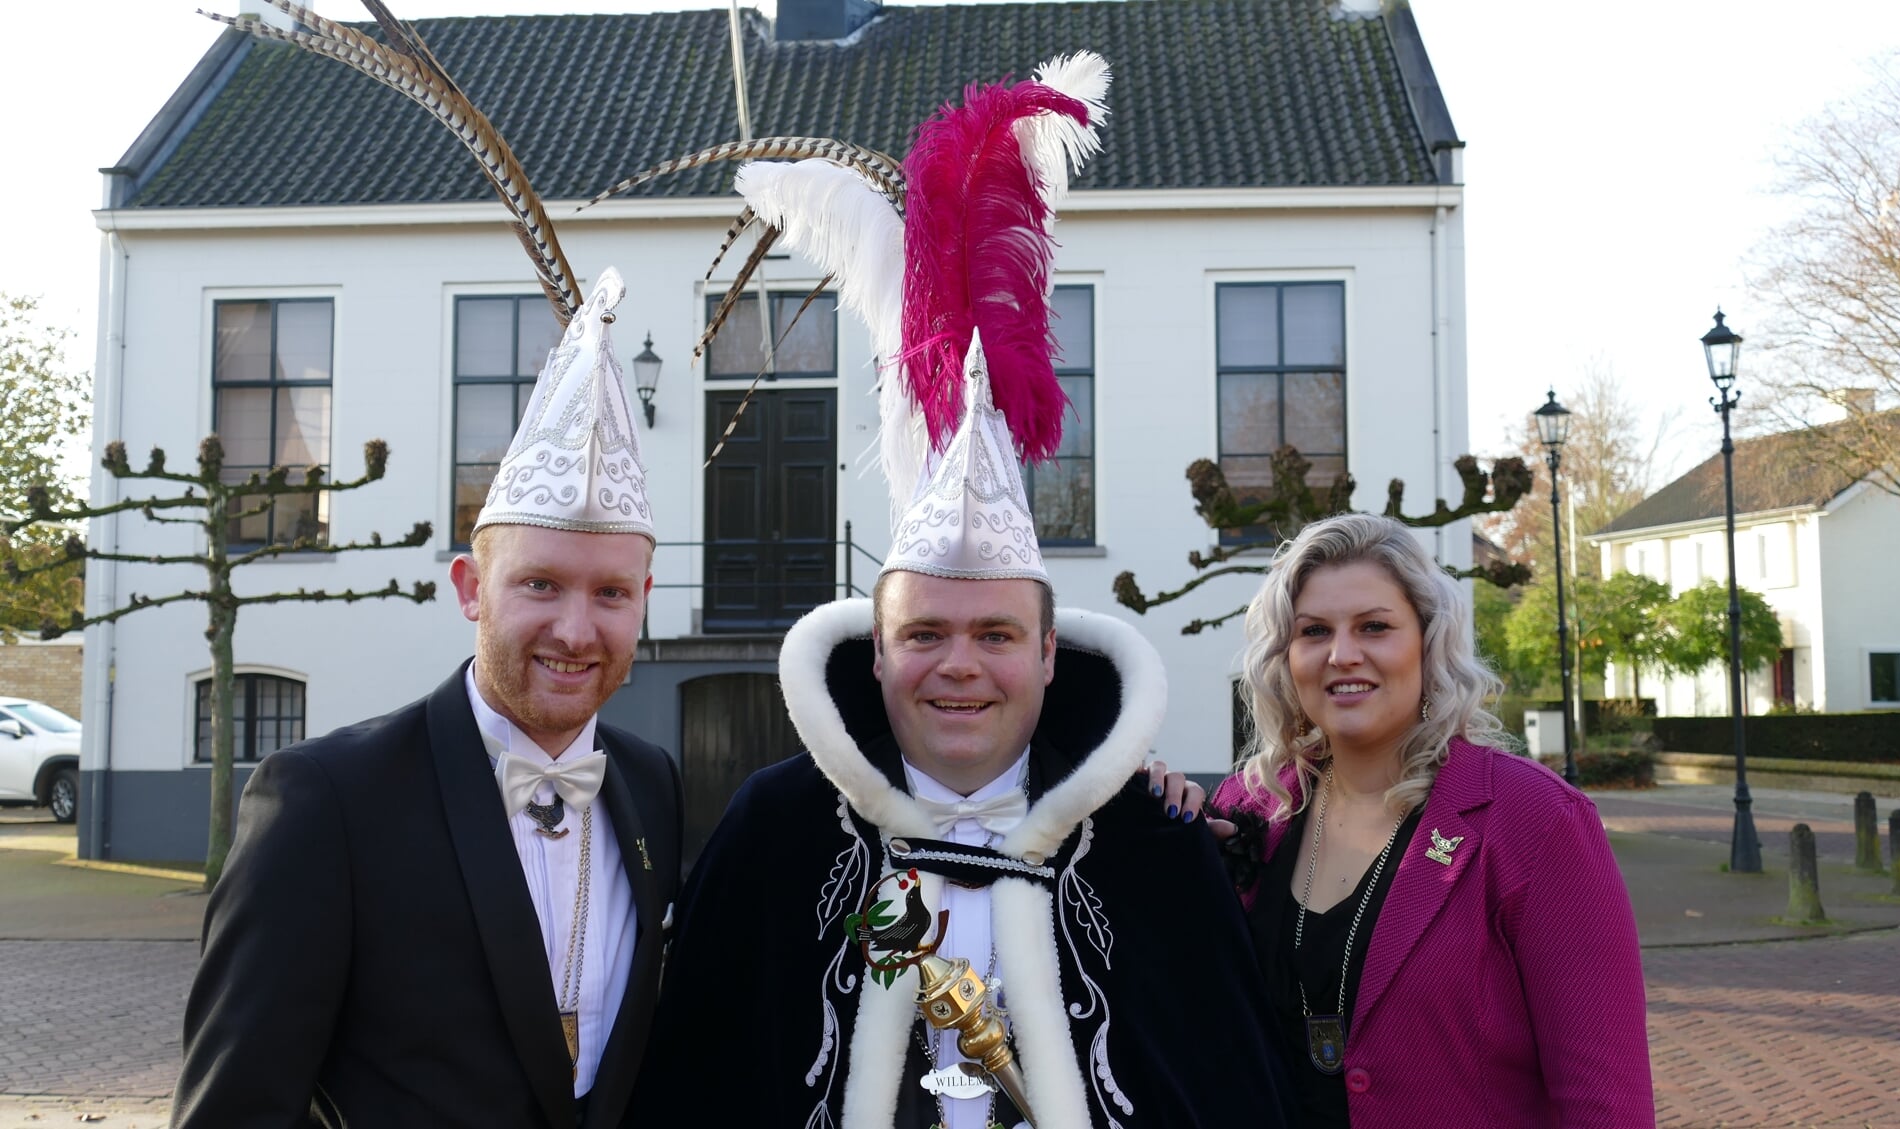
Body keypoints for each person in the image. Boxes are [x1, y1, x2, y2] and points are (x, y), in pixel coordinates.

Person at [635, 57, 1288, 1128]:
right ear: (876, 651)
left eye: (994, 633)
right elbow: (693, 1079)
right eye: (924, 633)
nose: (958, 665)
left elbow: (1228, 1081)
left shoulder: (1148, 843)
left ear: (1046, 652)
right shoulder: (776, 833)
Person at [172, 268, 683, 1129]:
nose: (575, 627)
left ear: (644, 598)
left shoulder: (653, 784)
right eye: (540, 584)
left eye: (609, 594)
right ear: (470, 588)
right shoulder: (323, 802)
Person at [1208, 512, 1654, 1128]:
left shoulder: (1537, 822)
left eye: (1374, 627)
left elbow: (1604, 1103)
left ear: (1428, 640)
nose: (1342, 654)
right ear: (1285, 657)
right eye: (1314, 631)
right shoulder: (1248, 809)